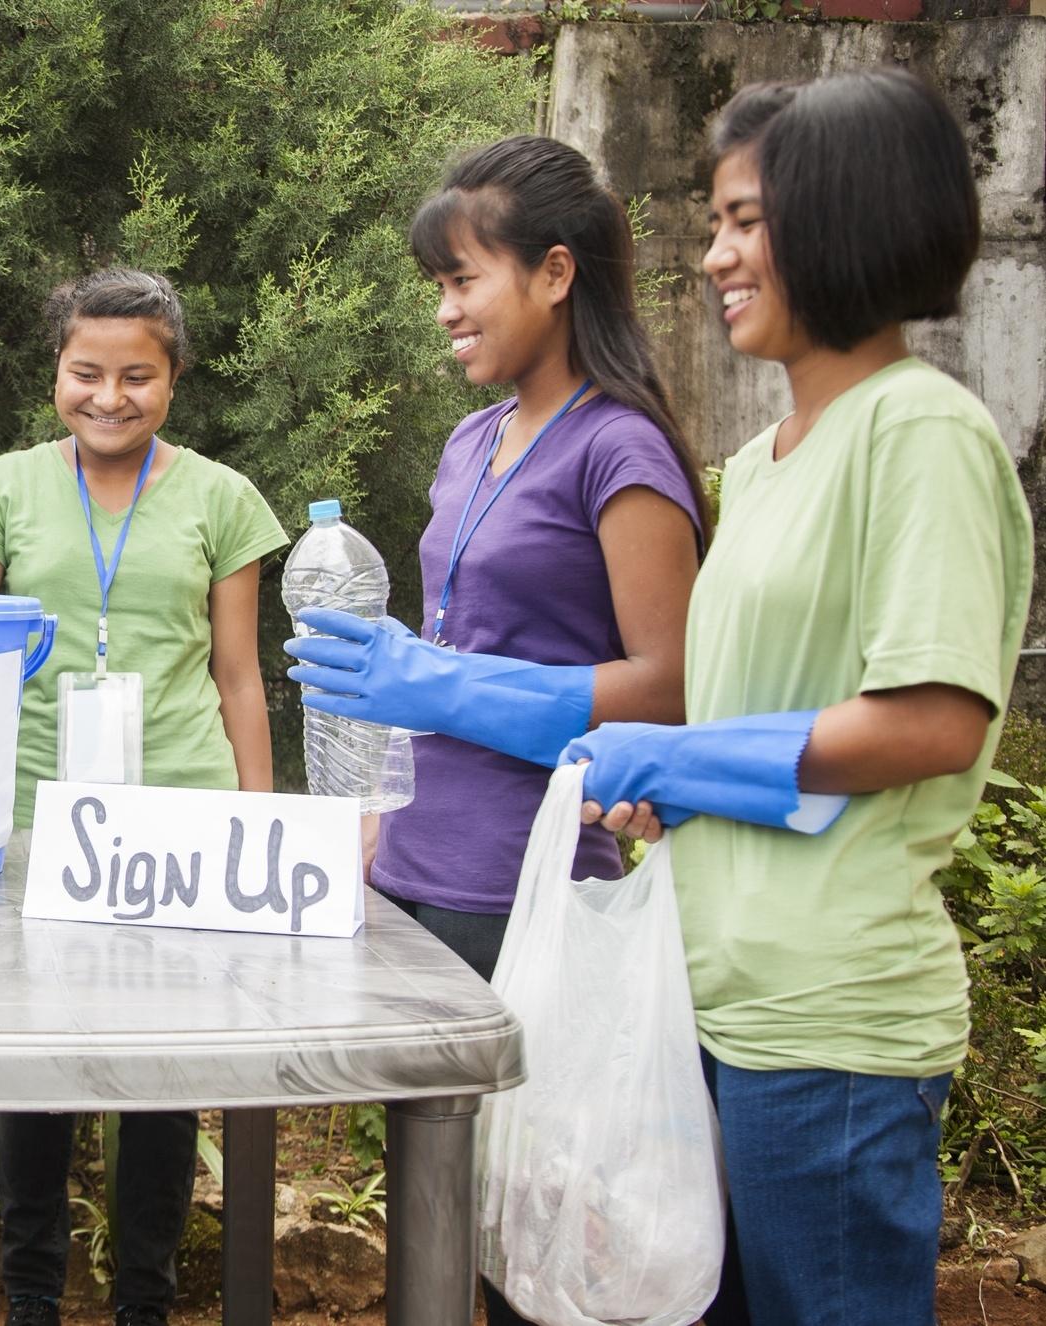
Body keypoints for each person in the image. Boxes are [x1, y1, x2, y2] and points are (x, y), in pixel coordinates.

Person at [568, 69, 1030, 1324]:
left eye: (747, 222)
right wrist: (672, 793)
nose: (715, 255)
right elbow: (771, 713)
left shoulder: (919, 431)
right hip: (714, 1000)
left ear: (845, 217)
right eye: (715, 222)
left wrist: (687, 762)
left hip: (829, 1028)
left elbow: (934, 721)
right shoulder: (762, 466)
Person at [0, 267, 288, 1326]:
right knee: (32, 1057)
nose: (109, 397)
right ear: (56, 373)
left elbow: (238, 676)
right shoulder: (1, 488)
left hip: (182, 818)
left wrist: (262, 820)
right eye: (86, 372)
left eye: (136, 377)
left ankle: (144, 1299)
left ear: (174, 378)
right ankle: (32, 1294)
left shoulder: (221, 498)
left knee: (164, 1066)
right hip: (29, 811)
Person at [280, 134, 706, 982]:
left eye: (464, 280)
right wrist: (378, 820)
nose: (445, 310)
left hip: (527, 883)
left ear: (554, 273)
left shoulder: (620, 449)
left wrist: (438, 684)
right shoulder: (470, 440)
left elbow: (671, 690)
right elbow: (458, 640)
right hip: (405, 866)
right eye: (437, 287)